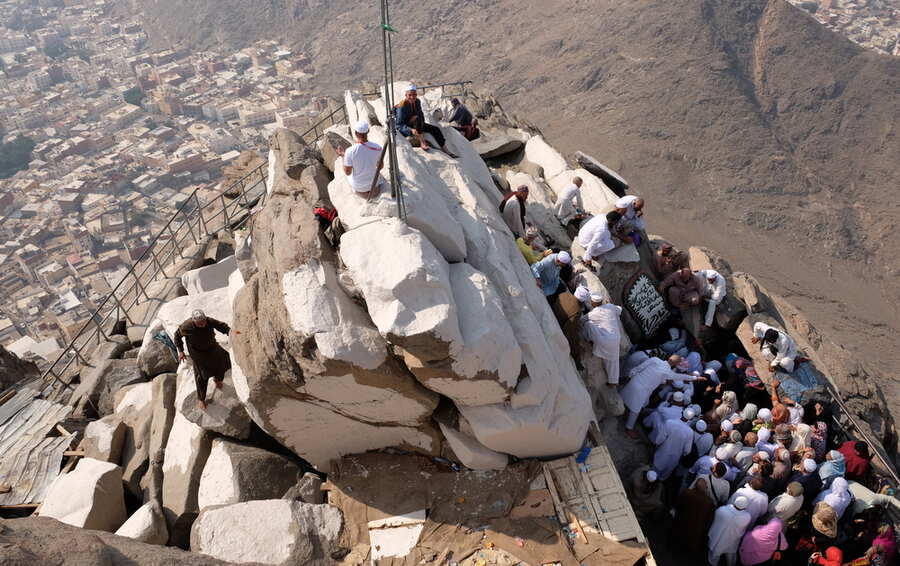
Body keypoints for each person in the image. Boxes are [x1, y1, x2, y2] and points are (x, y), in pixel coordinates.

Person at [620, 354, 704, 434]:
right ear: (676, 364)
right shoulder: (668, 373)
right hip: (642, 390)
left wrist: (630, 377)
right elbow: (683, 377)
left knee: (623, 397)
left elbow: (639, 368)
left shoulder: (655, 359)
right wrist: (695, 378)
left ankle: (619, 410)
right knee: (635, 411)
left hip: (635, 381)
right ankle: (629, 428)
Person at [174, 309, 231, 410]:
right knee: (202, 376)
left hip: (212, 348)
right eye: (199, 323)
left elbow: (221, 326)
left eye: (203, 321)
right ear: (194, 321)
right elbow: (177, 336)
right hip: (198, 354)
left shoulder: (209, 321)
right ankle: (201, 399)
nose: (203, 324)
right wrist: (181, 351)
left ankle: (217, 379)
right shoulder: (187, 327)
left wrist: (230, 331)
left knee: (222, 363)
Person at [394, 85, 457, 156]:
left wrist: (419, 121)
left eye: (414, 95)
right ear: (406, 95)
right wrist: (411, 130)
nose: (412, 97)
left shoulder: (417, 102)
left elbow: (421, 114)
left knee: (435, 129)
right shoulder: (401, 107)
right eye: (410, 95)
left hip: (417, 123)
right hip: (407, 127)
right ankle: (422, 141)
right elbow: (399, 125)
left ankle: (446, 150)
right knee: (417, 119)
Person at [581, 294, 623, 387]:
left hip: (604, 340)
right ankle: (613, 382)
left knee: (588, 324)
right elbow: (620, 310)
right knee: (613, 361)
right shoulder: (610, 307)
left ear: (593, 303)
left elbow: (582, 320)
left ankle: (588, 340)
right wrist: (610, 305)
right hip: (616, 339)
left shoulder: (594, 313)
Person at [336, 120, 384, 199]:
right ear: (368, 131)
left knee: (347, 175)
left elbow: (347, 172)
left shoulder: (350, 151)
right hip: (375, 185)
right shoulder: (378, 147)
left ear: (355, 133)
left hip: (360, 188)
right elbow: (380, 166)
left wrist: (343, 156)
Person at [673, 477, 717, 554]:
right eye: (706, 486)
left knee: (678, 536)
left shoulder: (686, 492)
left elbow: (678, 505)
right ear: (705, 488)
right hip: (696, 528)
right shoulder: (709, 502)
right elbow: (708, 519)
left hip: (681, 521)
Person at [708, 495, 752, 566]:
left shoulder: (722, 509)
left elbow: (716, 518)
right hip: (732, 540)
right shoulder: (747, 517)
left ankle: (713, 563)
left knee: (715, 553)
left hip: (718, 537)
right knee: (731, 555)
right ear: (745, 506)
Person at [652, 407, 696, 480]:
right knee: (662, 477)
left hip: (661, 454)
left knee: (652, 473)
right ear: (691, 419)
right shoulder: (690, 432)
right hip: (673, 460)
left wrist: (656, 445)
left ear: (682, 413)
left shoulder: (670, 422)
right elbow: (687, 451)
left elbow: (660, 439)